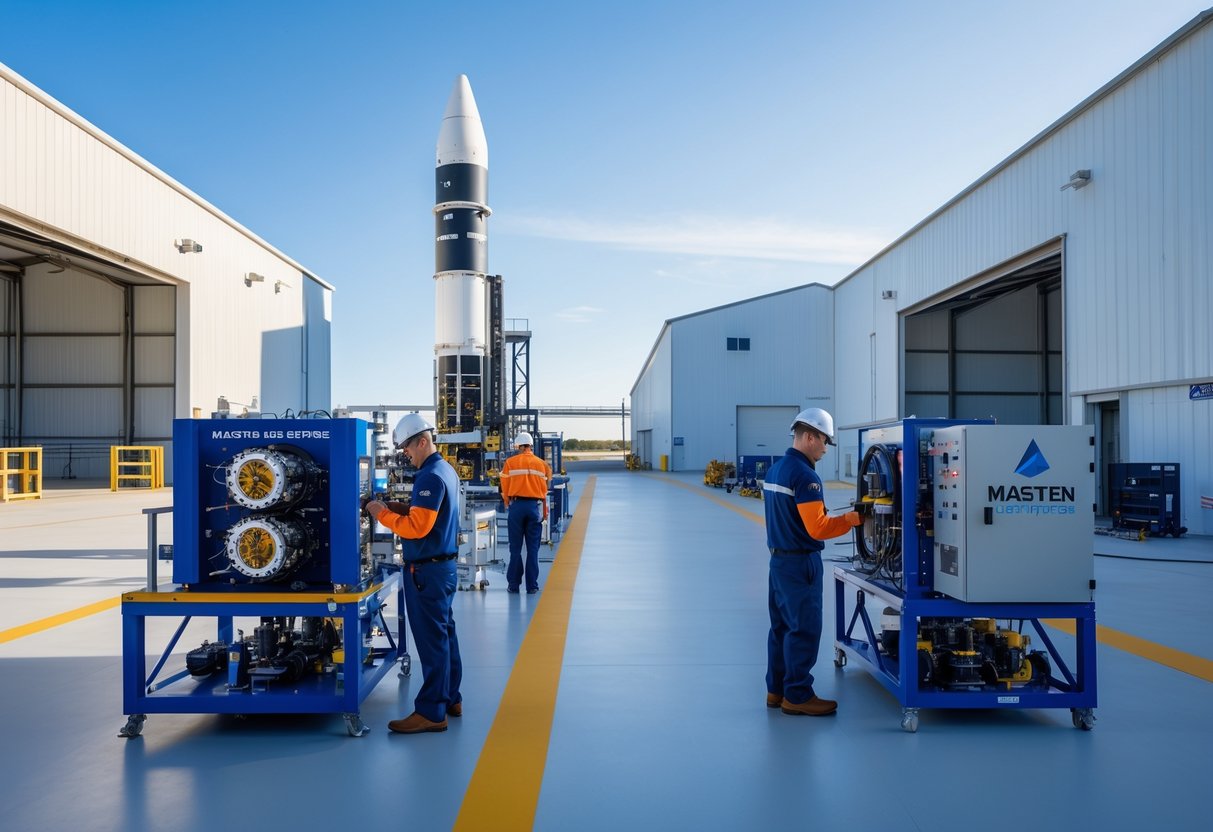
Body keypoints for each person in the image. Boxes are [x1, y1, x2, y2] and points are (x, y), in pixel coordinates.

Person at [365, 413, 463, 734]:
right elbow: (429, 514)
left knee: (432, 643)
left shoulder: (429, 477)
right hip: (443, 568)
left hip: (426, 572)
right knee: (444, 636)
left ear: (422, 441)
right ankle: (451, 698)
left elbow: (418, 528)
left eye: (407, 447)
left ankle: (432, 712)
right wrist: (395, 507)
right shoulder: (444, 470)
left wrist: (381, 514)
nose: (405, 454)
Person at [762, 408, 863, 716]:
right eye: (824, 441)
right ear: (809, 437)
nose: (825, 448)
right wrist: (851, 520)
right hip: (801, 564)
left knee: (781, 628)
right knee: (804, 629)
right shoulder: (805, 476)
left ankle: (776, 690)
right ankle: (798, 695)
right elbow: (817, 528)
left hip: (778, 562)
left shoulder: (775, 470)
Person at [499, 431, 552, 594]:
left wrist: (508, 503)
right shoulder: (542, 464)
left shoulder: (510, 463)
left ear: (520, 446)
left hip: (517, 507)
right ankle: (532, 586)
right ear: (530, 446)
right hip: (534, 507)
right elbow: (547, 486)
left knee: (515, 549)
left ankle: (514, 585)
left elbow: (504, 487)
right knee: (533, 549)